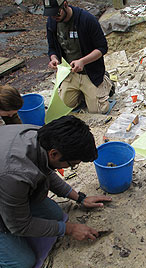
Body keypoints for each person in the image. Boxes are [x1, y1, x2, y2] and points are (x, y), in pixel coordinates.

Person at [0, 115, 112, 268]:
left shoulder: (43, 136)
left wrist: (80, 198)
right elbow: (19, 226)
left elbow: (46, 170)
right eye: (72, 165)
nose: (70, 168)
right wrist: (70, 229)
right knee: (23, 262)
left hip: (8, 186)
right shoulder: (14, 175)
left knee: (57, 216)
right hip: (7, 182)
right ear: (54, 154)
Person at [43, 0, 114, 114]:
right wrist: (54, 59)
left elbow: (102, 48)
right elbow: (52, 48)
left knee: (98, 110)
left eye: (57, 13)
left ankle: (105, 82)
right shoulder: (52, 22)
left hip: (90, 73)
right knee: (64, 105)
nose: (53, 16)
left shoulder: (86, 20)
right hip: (69, 73)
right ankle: (82, 94)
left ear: (65, 5)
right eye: (50, 14)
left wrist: (82, 61)